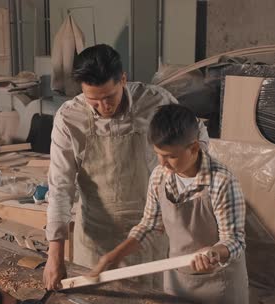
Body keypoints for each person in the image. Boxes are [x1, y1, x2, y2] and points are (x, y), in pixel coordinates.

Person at [43, 44, 209, 291]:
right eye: (93, 101)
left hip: (150, 231)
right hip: (96, 236)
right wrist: (54, 253)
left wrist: (184, 189)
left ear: (123, 79)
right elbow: (60, 187)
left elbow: (198, 139)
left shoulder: (156, 103)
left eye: (109, 97)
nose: (103, 107)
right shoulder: (69, 119)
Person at [88, 104, 249, 304]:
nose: (162, 163)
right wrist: (115, 255)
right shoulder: (160, 176)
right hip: (178, 279)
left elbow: (235, 240)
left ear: (193, 148)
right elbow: (149, 225)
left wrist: (214, 252)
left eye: (170, 156)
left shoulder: (221, 181)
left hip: (218, 283)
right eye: (157, 154)